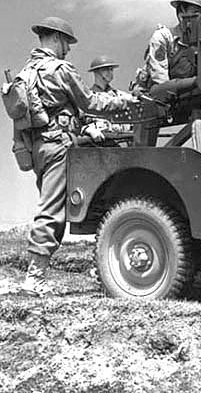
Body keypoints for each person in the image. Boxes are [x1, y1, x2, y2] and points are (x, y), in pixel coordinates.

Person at [18, 16, 138, 296]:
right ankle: (35, 277)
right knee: (52, 210)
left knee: (51, 205)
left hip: (38, 148)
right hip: (58, 145)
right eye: (67, 43)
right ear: (57, 39)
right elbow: (90, 102)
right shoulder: (59, 70)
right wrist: (126, 101)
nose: (69, 50)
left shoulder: (28, 72)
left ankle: (38, 274)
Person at [133, 0, 201, 146]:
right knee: (142, 152)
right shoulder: (163, 37)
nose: (197, 18)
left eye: (200, 14)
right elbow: (160, 79)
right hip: (152, 97)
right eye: (194, 13)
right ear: (181, 14)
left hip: (181, 95)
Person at [81, 56, 132, 145]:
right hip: (97, 146)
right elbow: (77, 123)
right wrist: (87, 129)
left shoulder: (121, 96)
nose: (110, 73)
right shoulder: (88, 99)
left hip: (121, 145)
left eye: (111, 69)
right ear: (96, 72)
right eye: (106, 70)